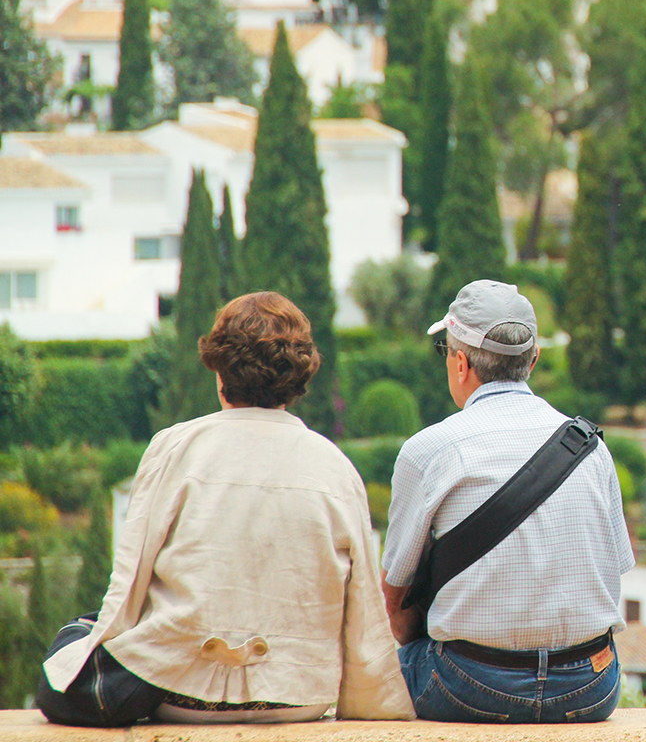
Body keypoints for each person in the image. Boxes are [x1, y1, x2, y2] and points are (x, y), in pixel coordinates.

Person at [38, 291, 413, 727]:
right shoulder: (335, 467)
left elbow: (127, 586)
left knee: (75, 636)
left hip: (178, 691)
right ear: (299, 376)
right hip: (298, 697)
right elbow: (363, 603)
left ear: (220, 370)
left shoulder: (175, 447)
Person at [382, 279, 633, 724]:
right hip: (590, 687)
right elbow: (613, 571)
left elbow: (396, 603)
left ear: (460, 363)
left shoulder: (428, 451)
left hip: (470, 686)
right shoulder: (590, 447)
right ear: (533, 360)